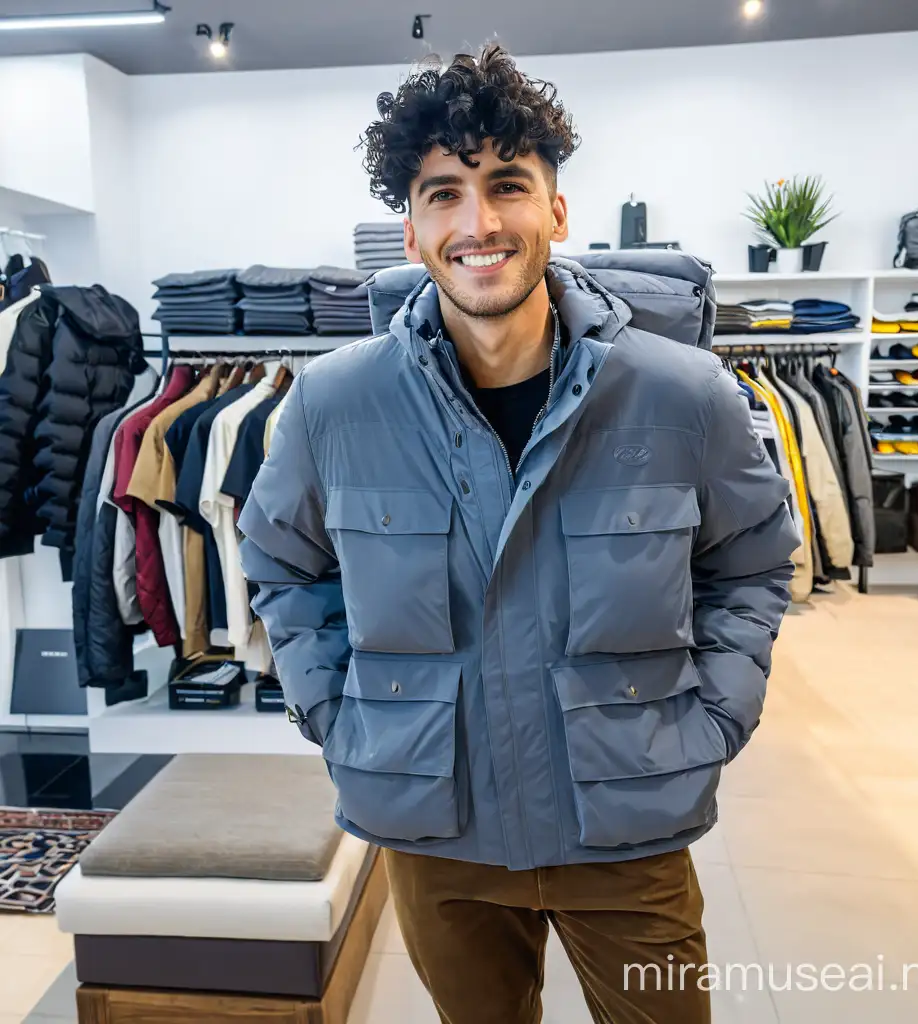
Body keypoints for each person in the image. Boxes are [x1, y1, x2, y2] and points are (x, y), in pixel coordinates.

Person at [239, 43, 799, 1024]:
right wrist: (343, 719)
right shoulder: (331, 405)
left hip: (626, 828)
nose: (479, 222)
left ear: (556, 210)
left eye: (507, 184)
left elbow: (750, 561)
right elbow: (282, 567)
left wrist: (711, 720)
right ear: (410, 232)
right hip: (434, 834)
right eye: (443, 193)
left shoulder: (684, 395)